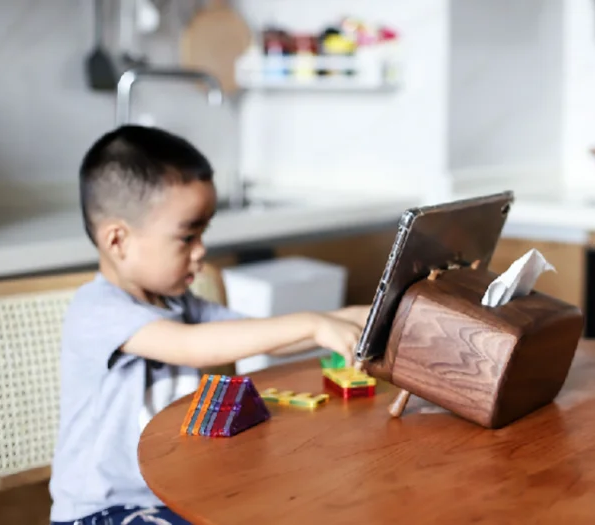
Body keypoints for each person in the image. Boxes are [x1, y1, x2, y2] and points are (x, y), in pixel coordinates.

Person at [49, 125, 370, 525]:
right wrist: (312, 323)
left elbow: (258, 334)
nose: (202, 253)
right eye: (187, 237)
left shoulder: (180, 303)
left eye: (204, 233)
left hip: (172, 493)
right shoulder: (96, 309)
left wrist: (348, 316)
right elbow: (192, 346)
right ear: (118, 241)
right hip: (106, 511)